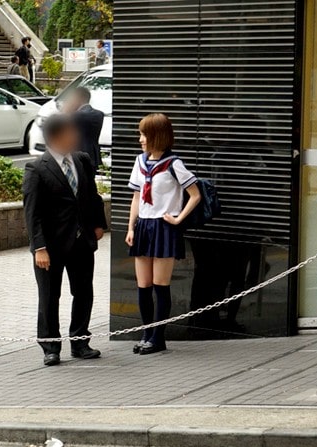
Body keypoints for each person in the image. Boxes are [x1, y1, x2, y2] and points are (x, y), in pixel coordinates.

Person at [23, 114, 108, 367]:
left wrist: (97, 224)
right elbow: (32, 212)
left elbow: (92, 196)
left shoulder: (81, 160)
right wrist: (39, 247)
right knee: (49, 296)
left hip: (82, 242)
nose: (75, 136)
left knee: (83, 292)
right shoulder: (37, 168)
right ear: (57, 136)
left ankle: (80, 342)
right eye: (70, 132)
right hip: (51, 246)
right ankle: (50, 347)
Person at [125, 113, 201, 355]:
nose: (141, 139)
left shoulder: (174, 164)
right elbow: (136, 196)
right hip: (144, 226)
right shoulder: (140, 161)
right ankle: (147, 334)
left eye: (144, 134)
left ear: (157, 136)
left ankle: (158, 338)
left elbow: (195, 194)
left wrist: (178, 218)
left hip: (164, 227)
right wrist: (130, 227)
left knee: (160, 285)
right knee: (143, 285)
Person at [64, 87, 105, 169]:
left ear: (78, 98)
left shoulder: (76, 116)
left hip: (77, 157)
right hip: (93, 156)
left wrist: (67, 112)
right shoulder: (99, 114)